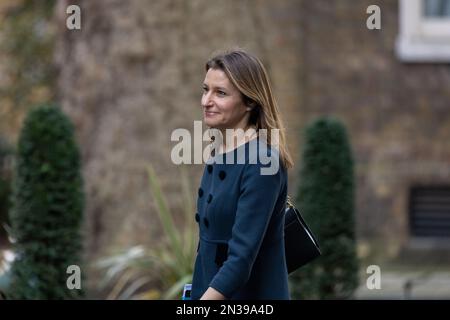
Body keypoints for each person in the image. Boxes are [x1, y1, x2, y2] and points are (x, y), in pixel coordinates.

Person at [191, 49, 294, 300]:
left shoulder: (262, 162)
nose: (206, 101)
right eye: (206, 90)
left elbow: (240, 260)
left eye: (220, 93)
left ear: (249, 102)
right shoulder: (219, 151)